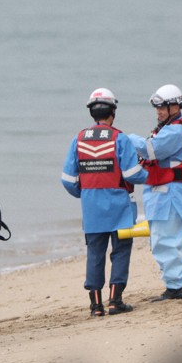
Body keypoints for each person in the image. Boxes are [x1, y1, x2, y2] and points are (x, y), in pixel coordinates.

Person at [61, 88, 148, 316]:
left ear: (92, 113)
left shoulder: (78, 139)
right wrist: (148, 174)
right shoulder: (121, 138)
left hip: (92, 210)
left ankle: (95, 306)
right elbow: (131, 174)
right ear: (113, 112)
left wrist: (87, 193)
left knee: (95, 253)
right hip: (120, 208)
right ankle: (115, 301)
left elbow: (68, 180)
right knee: (120, 252)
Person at [126, 84, 182, 301]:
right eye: (157, 108)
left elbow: (150, 150)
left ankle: (175, 287)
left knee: (166, 241)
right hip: (161, 195)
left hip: (170, 194)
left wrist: (126, 139)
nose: (159, 111)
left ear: (176, 106)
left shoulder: (176, 131)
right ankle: (172, 285)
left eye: (163, 107)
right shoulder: (166, 129)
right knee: (160, 241)